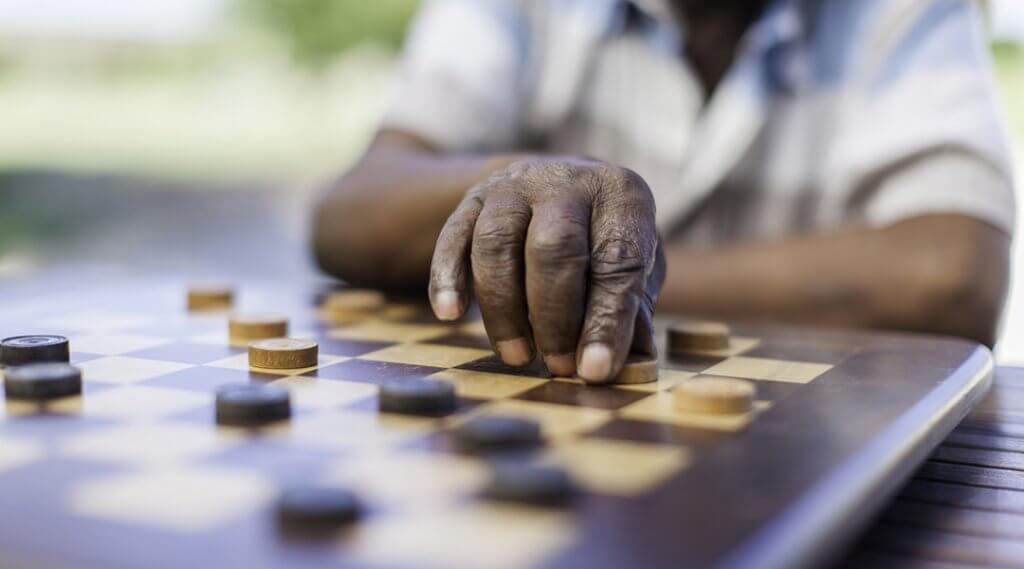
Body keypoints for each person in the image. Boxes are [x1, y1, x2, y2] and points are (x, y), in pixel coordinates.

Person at [313, 0, 1015, 383]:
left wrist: (606, 275)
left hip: (790, 470)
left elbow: (951, 277)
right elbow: (349, 212)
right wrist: (520, 185)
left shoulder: (902, 11)